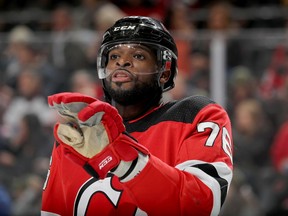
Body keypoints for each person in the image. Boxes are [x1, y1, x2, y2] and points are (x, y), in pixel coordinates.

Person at [41, 16, 233, 215]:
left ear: (164, 72)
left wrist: (122, 158)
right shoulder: (81, 133)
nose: (122, 62)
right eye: (114, 56)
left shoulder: (195, 115)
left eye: (139, 56)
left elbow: (199, 206)